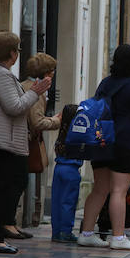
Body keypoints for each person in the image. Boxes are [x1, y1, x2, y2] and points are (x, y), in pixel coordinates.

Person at [0, 32, 52, 254]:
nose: (18, 54)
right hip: (0, 142)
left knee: (5, 187)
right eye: (17, 50)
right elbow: (15, 107)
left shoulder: (1, 73)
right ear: (11, 53)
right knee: (0, 190)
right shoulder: (1, 75)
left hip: (2, 141)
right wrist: (35, 92)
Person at [77, 44, 130, 250]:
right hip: (124, 143)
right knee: (119, 191)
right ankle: (118, 236)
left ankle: (86, 233)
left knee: (99, 189)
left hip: (101, 141)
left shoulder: (105, 83)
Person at [21, 52, 62, 230]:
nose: (53, 75)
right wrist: (57, 120)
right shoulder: (36, 91)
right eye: (52, 71)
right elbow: (37, 121)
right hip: (27, 142)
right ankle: (31, 217)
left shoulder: (25, 85)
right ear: (45, 73)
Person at [51, 104, 84, 243]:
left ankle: (56, 232)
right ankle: (66, 232)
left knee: (56, 202)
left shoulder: (62, 134)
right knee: (68, 203)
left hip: (58, 169)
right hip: (71, 170)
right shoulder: (77, 135)